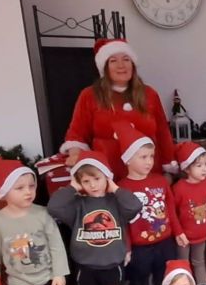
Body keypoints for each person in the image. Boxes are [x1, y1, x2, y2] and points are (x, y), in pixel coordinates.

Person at [47, 151, 142, 285]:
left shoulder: (116, 202)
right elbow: (54, 207)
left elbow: (135, 206)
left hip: (113, 266)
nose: (92, 185)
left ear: (106, 177)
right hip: (86, 267)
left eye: (97, 179)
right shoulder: (77, 205)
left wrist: (114, 187)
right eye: (86, 181)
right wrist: (72, 187)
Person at [61, 38, 178, 180]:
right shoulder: (89, 95)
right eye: (113, 61)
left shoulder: (149, 94)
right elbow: (77, 134)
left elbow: (163, 133)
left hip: (149, 174)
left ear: (132, 64)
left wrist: (168, 168)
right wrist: (75, 154)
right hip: (108, 175)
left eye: (126, 59)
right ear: (105, 67)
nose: (121, 65)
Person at [116, 123, 187, 285]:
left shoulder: (160, 181)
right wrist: (127, 247)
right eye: (143, 157)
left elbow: (170, 208)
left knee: (166, 281)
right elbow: (122, 221)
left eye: (151, 156)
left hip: (165, 243)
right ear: (128, 159)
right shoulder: (122, 188)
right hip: (140, 248)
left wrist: (178, 231)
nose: (149, 162)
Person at [171, 141, 206, 285]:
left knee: (199, 261)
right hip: (184, 236)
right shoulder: (179, 187)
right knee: (183, 263)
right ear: (187, 168)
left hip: (201, 233)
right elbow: (172, 211)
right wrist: (178, 232)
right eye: (198, 165)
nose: (204, 169)